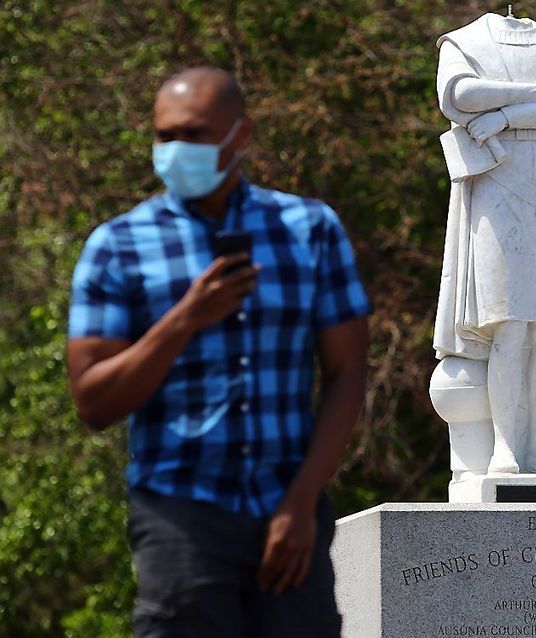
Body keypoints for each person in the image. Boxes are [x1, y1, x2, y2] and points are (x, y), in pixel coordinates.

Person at [67, 67, 370, 637]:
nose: (176, 150)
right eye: (165, 136)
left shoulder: (309, 230)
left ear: (241, 135)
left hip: (290, 510)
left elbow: (347, 373)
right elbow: (93, 402)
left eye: (195, 135)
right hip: (181, 511)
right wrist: (184, 319)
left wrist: (302, 502)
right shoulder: (117, 246)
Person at [433, 12, 536, 474]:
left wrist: (507, 115)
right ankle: (505, 448)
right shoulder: (464, 42)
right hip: (497, 186)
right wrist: (533, 96)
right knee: (508, 324)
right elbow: (459, 97)